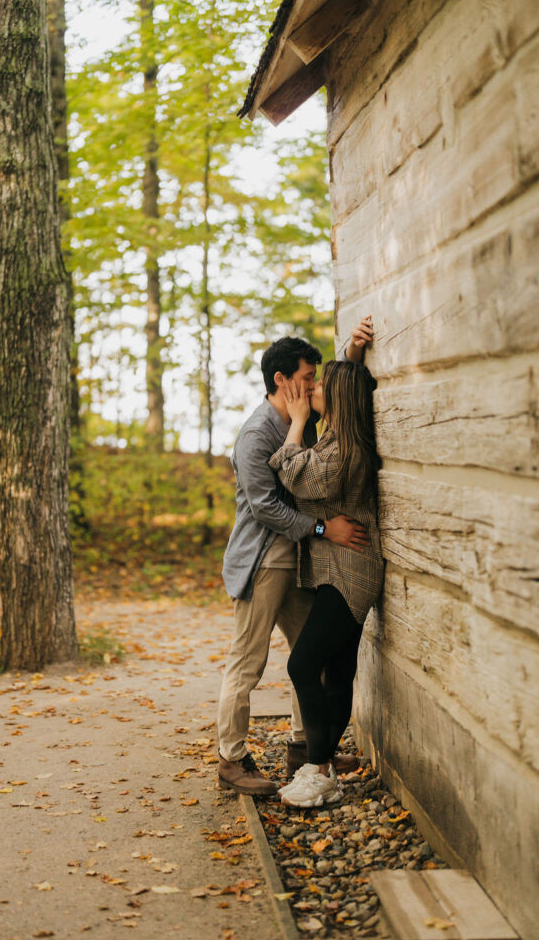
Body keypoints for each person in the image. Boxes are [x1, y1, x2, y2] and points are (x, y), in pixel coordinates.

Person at [217, 320, 374, 796]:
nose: (312, 385)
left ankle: (306, 749)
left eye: (316, 378)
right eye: (307, 377)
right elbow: (265, 506)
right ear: (282, 380)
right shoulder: (256, 435)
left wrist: (350, 353)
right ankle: (230, 759)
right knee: (248, 659)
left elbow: (339, 393)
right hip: (264, 560)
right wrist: (325, 527)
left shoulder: (301, 420)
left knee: (310, 656)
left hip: (299, 560)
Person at [268, 353, 384, 808]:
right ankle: (323, 769)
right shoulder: (338, 436)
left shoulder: (342, 450)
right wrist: (352, 350)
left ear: (337, 396)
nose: (310, 389)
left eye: (319, 386)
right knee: (337, 674)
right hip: (343, 569)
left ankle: (317, 770)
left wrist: (296, 422)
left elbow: (298, 479)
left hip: (350, 573)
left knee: (302, 665)